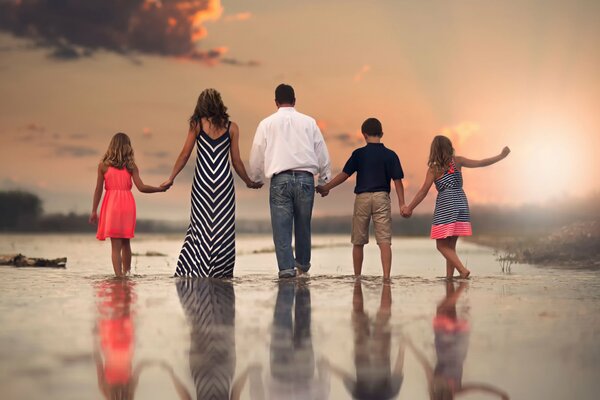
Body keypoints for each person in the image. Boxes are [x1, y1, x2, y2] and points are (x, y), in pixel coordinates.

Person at [161, 88, 262, 278]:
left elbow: (184, 155)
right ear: (219, 103)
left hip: (203, 182)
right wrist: (248, 181)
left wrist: (171, 178)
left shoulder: (196, 125)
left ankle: (195, 271)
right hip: (223, 183)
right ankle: (220, 272)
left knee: (199, 226)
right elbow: (236, 162)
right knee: (223, 227)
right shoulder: (232, 127)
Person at [249, 84, 332, 278]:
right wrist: (325, 180)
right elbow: (321, 151)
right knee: (303, 225)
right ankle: (302, 266)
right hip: (305, 179)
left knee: (281, 228)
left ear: (276, 102)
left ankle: (286, 270)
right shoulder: (309, 122)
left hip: (280, 179)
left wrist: (256, 178)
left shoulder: (266, 123)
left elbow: (257, 151)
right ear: (294, 101)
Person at [402, 136, 510, 278]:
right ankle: (449, 279)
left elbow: (423, 192)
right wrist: (501, 156)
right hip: (461, 203)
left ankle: (462, 270)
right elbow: (481, 163)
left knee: (441, 246)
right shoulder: (458, 161)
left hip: (447, 205)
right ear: (449, 147)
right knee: (450, 247)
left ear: (434, 150)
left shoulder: (434, 169)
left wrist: (409, 208)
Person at [316, 118, 405, 280]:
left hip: (362, 198)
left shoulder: (359, 154)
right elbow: (398, 181)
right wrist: (402, 204)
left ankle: (357, 277)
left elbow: (344, 175)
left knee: (358, 240)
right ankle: (386, 277)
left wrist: (326, 187)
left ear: (364, 135)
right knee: (384, 240)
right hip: (381, 198)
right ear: (382, 134)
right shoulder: (391, 155)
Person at [407, 281, 510, 399]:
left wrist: (410, 345)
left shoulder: (437, 384)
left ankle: (458, 286)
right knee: (443, 309)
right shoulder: (455, 389)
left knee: (445, 309)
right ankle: (461, 286)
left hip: (449, 339)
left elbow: (424, 363)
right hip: (455, 342)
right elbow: (478, 387)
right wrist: (498, 393)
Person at [90, 133, 168, 277]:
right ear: (128, 147)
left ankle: (119, 277)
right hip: (127, 205)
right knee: (126, 243)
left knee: (115, 246)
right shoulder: (131, 166)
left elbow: (98, 189)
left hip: (112, 205)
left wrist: (94, 210)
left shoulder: (103, 166)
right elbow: (142, 187)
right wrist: (159, 189)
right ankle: (127, 274)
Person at [327, 279, 405, 400]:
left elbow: (345, 377)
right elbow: (398, 371)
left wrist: (330, 367)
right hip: (377, 351)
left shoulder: (366, 395)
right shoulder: (384, 394)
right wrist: (402, 346)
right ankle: (382, 281)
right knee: (371, 316)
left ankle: (363, 280)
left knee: (370, 316)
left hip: (371, 351)